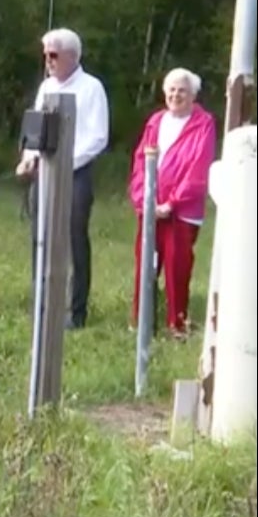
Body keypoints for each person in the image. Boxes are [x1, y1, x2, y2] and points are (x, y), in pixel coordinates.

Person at [15, 27, 109, 330]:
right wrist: (28, 159)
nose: (48, 61)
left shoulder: (91, 88)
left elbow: (97, 137)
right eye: (45, 55)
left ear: (72, 56)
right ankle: (42, 304)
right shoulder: (46, 87)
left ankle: (76, 311)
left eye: (53, 55)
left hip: (75, 174)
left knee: (74, 240)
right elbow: (35, 130)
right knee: (39, 237)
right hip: (43, 173)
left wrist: (65, 164)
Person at [128, 68, 216, 338]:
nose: (176, 95)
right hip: (151, 209)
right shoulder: (156, 121)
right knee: (146, 265)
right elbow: (141, 162)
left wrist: (172, 203)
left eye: (182, 90)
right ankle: (141, 321)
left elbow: (198, 169)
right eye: (172, 90)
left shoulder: (203, 123)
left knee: (178, 267)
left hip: (182, 212)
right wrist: (145, 198)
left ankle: (177, 324)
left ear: (193, 95)